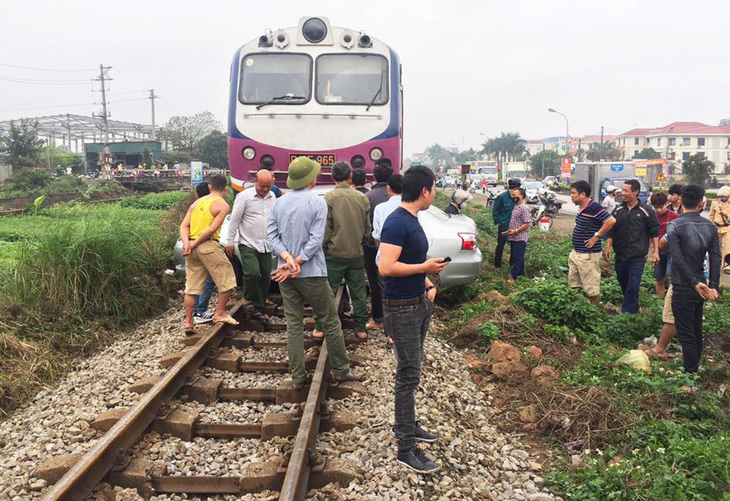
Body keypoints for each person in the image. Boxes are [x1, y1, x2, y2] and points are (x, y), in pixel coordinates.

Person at [267, 157, 360, 389]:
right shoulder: (317, 203)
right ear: (313, 179)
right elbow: (316, 240)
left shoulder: (279, 203)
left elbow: (271, 237)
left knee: (294, 324)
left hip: (285, 275)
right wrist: (298, 260)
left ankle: (298, 376)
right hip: (312, 273)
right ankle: (341, 369)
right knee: (329, 320)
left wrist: (287, 260)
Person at [379, 165, 447, 474]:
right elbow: (386, 267)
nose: (434, 193)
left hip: (416, 302)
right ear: (424, 191)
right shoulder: (397, 223)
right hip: (402, 308)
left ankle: (406, 424)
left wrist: (427, 283)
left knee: (413, 371)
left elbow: (413, 261)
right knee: (408, 375)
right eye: (434, 188)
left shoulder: (412, 218)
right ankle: (405, 447)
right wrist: (425, 269)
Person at [312, 161, 371, 341]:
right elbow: (367, 229)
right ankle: (361, 328)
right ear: (350, 176)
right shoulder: (362, 198)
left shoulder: (329, 198)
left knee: (327, 291)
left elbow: (326, 228)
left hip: (334, 255)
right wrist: (363, 243)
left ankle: (321, 328)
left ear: (332, 177)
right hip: (356, 253)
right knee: (358, 292)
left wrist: (323, 247)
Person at [666, 184, 720, 374]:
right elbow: (715, 258)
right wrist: (713, 285)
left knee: (686, 333)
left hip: (684, 285)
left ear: (681, 201)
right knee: (696, 329)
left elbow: (678, 259)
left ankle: (690, 376)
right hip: (701, 286)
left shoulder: (674, 225)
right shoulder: (710, 227)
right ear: (701, 204)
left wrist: (693, 282)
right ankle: (694, 369)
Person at [180, 175, 239, 335]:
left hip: (191, 249)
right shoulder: (222, 205)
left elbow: (184, 225)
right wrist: (195, 243)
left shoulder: (196, 203)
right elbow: (212, 230)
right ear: (225, 189)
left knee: (191, 288)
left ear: (210, 187)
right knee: (227, 280)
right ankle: (220, 313)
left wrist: (187, 243)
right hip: (208, 246)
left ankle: (189, 323)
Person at [604, 180, 660, 314]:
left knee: (633, 286)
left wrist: (656, 252)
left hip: (637, 257)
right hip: (620, 255)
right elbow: (611, 231)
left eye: (625, 191)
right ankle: (634, 307)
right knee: (624, 283)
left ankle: (626, 314)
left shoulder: (646, 211)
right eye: (622, 190)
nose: (622, 193)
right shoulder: (618, 210)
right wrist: (607, 247)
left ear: (635, 192)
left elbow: (654, 232)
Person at [225, 170, 277, 316]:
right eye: (262, 186)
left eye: (268, 186)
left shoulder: (272, 196)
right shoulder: (244, 197)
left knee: (266, 276)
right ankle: (248, 299)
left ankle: (259, 306)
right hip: (248, 242)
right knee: (253, 273)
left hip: (266, 244)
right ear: (255, 181)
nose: (265, 189)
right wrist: (230, 241)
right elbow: (234, 220)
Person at [568, 180, 616, 303]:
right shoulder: (581, 207)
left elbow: (611, 221)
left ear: (582, 194)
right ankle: (576, 310)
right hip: (576, 252)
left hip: (588, 254)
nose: (571, 196)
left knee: (591, 288)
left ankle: (595, 313)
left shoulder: (594, 207)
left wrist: (597, 236)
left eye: (573, 193)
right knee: (574, 284)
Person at [364, 159, 394, 330]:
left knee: (375, 284)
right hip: (397, 249)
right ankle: (395, 320)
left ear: (374, 177)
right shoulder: (401, 198)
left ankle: (378, 318)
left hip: (372, 248)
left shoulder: (368, 197)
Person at [192, 181, 217, 324]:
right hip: (205, 245)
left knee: (196, 280)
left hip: (192, 245)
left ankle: (196, 311)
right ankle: (200, 311)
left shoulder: (194, 206)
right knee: (209, 280)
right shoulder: (210, 206)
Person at [651, 192, 680, 297]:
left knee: (671, 277)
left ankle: (672, 301)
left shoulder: (675, 217)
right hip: (657, 251)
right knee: (659, 278)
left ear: (667, 204)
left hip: (672, 251)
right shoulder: (651, 216)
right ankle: (660, 301)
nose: (658, 210)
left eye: (661, 207)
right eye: (656, 207)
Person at [492, 178, 522, 269]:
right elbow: (495, 211)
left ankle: (512, 265)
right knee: (501, 245)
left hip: (516, 227)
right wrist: (499, 222)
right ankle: (497, 265)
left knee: (514, 246)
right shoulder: (502, 197)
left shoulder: (518, 198)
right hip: (504, 226)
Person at [506, 188, 531, 285]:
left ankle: (513, 276)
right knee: (516, 256)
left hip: (520, 237)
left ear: (521, 196)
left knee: (518, 257)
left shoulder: (524, 208)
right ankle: (521, 275)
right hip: (513, 237)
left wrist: (516, 231)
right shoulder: (516, 207)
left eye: (515, 195)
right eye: (512, 195)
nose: (513, 197)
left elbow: (526, 224)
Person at [708, 185, 730, 273]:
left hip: (727, 228)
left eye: (724, 196)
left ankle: (727, 264)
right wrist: (710, 226)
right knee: (716, 247)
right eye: (721, 196)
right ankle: (717, 264)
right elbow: (711, 216)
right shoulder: (715, 203)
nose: (723, 198)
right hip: (716, 227)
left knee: (727, 247)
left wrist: (726, 215)